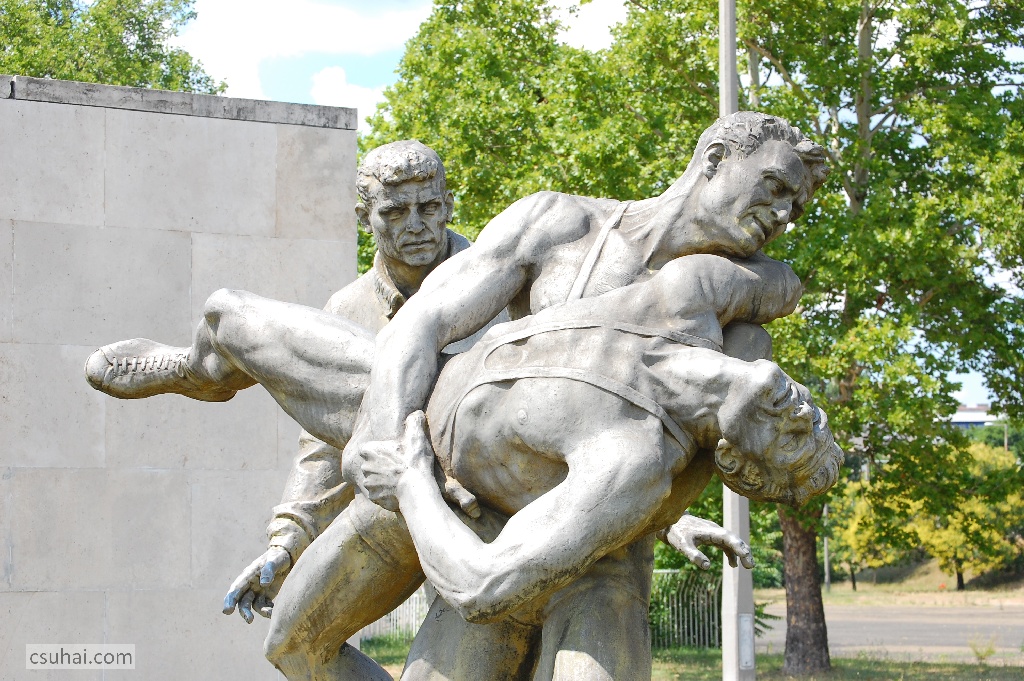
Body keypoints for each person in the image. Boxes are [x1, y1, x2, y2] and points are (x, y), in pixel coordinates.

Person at [90, 248, 841, 679]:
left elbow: (482, 584)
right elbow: (775, 269)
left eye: (795, 440)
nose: (803, 414)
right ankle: (196, 371)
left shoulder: (634, 459)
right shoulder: (690, 298)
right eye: (814, 418)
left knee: (294, 642)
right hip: (410, 388)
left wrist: (411, 480)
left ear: (739, 457)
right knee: (224, 312)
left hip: (447, 491)